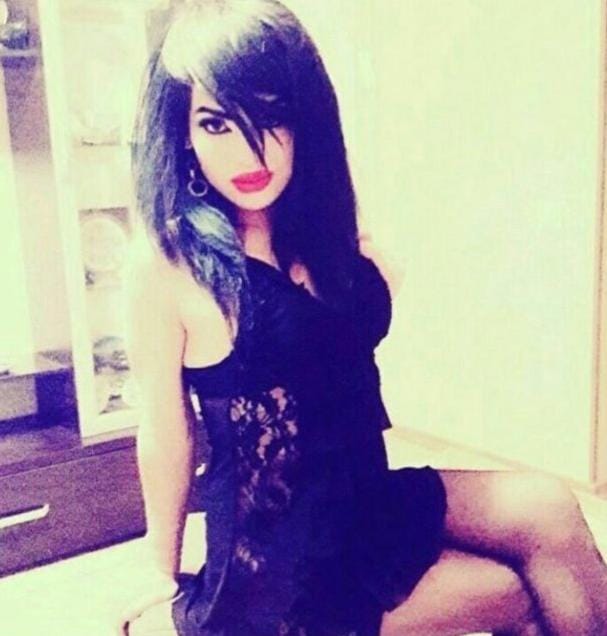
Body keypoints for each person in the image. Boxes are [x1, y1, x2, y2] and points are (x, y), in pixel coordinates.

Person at [118, 1, 607, 634]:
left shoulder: (321, 229)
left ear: (306, 115)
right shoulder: (167, 263)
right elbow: (166, 428)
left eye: (272, 114)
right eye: (216, 124)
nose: (248, 151)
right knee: (520, 589)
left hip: (362, 502)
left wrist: (367, 270)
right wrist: (157, 567)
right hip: (282, 561)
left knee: (549, 506)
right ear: (184, 133)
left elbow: (345, 338)